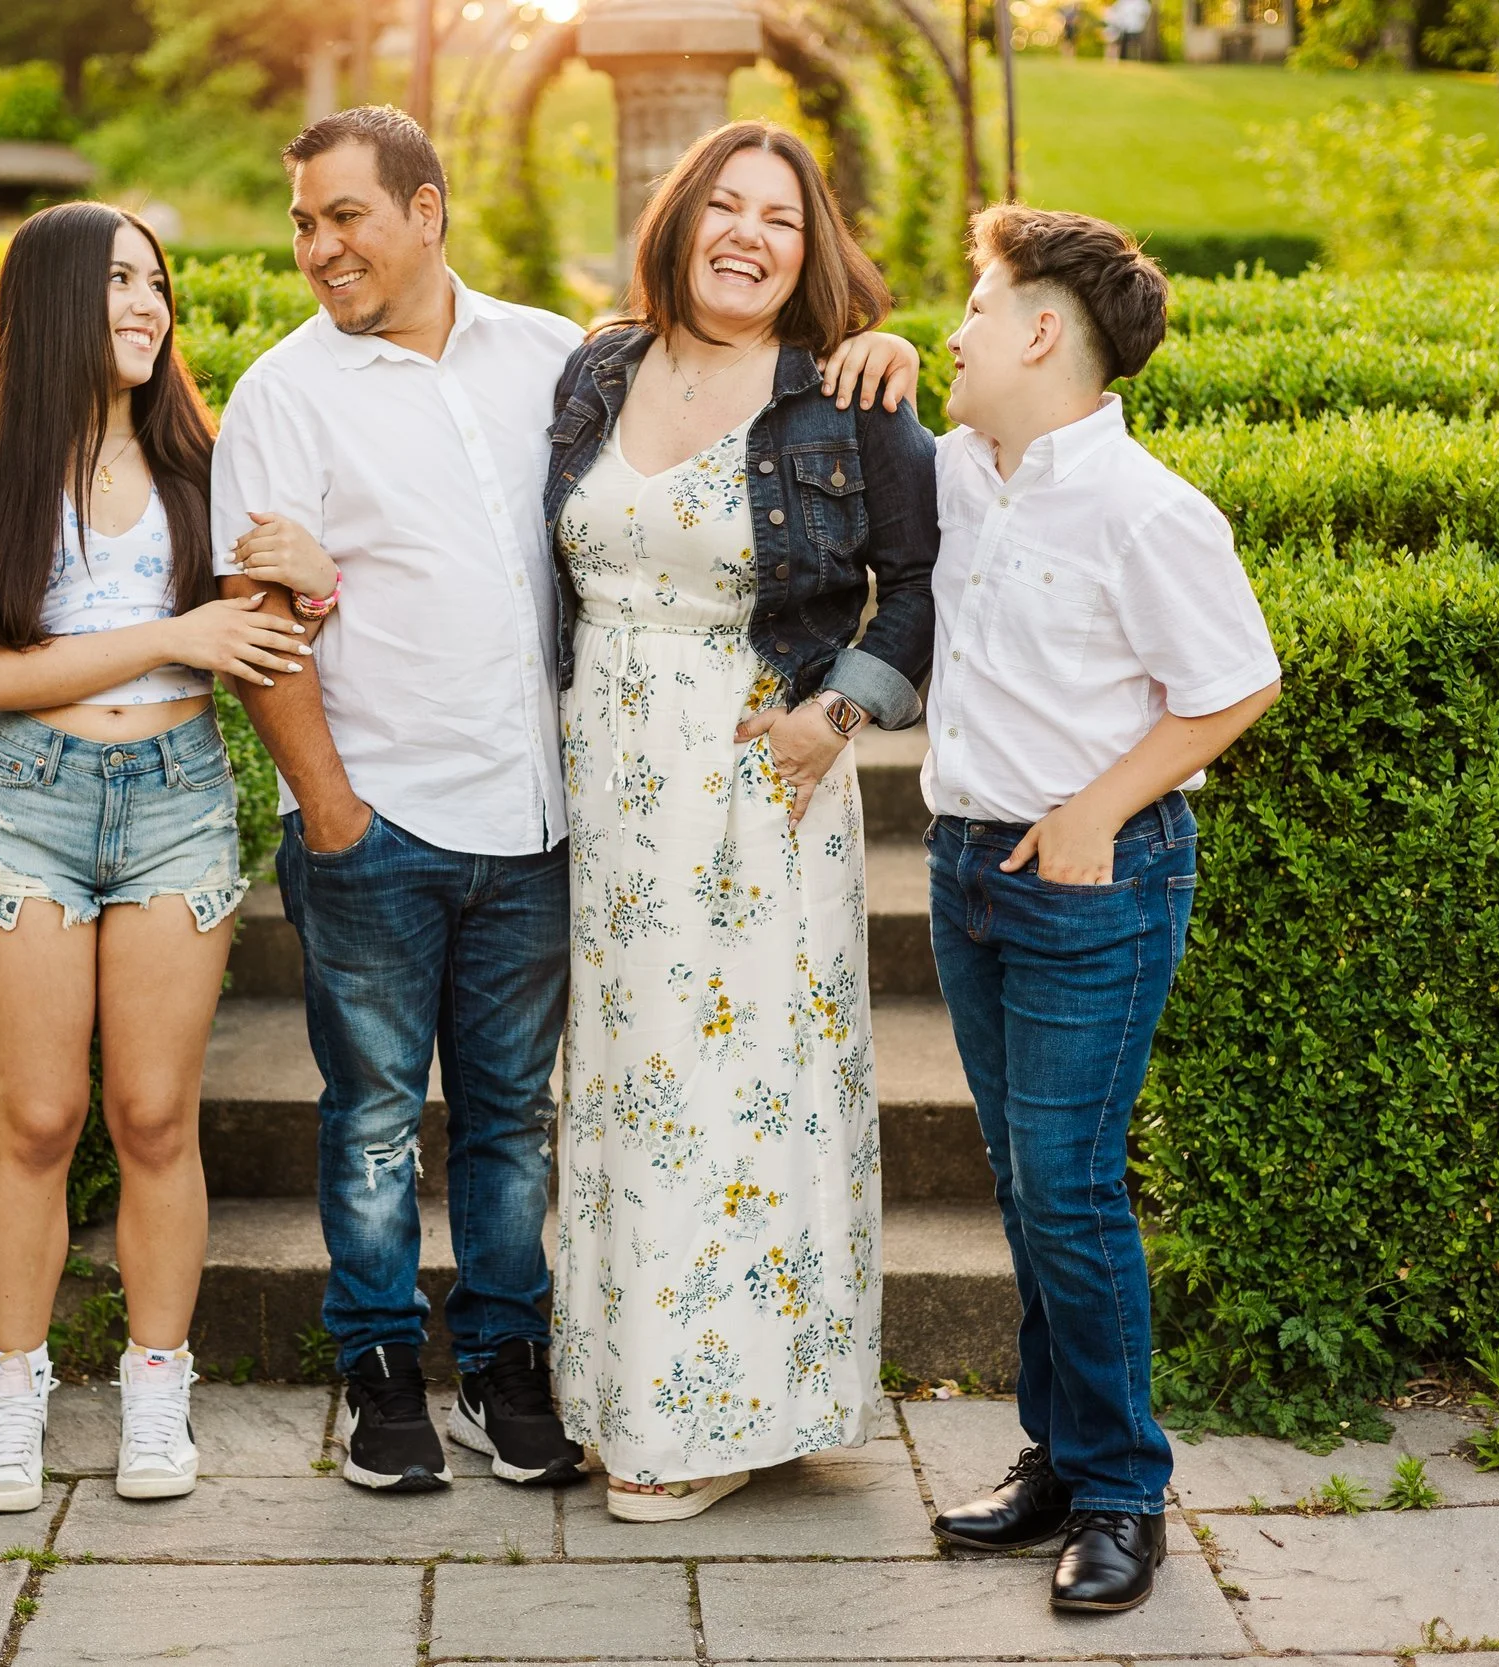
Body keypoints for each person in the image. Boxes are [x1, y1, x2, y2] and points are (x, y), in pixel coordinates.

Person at [212, 105, 923, 1496]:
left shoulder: (559, 355)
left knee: (515, 1115)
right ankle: (374, 1374)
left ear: (428, 212)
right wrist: (331, 807)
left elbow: (546, 541)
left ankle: (500, 1365)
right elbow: (260, 615)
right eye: (301, 221)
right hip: (384, 813)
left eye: (344, 214)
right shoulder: (282, 393)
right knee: (369, 1115)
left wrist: (875, 341)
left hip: (547, 815)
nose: (318, 246)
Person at [540, 121, 937, 1523]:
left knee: (737, 1094)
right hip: (600, 784)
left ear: (807, 247)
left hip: (758, 788)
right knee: (622, 1092)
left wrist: (839, 717)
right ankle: (626, 1389)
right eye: (725, 203)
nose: (748, 233)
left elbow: (923, 582)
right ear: (678, 218)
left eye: (780, 215)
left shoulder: (849, 397)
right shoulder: (596, 368)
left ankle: (722, 1411)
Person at [921, 205, 1280, 1613]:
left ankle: (1126, 1487)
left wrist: (1094, 811)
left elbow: (1235, 684)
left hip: (1094, 881)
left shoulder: (1148, 509)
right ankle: (1058, 1459)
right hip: (968, 872)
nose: (953, 332)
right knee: (1024, 1181)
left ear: (1042, 331)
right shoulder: (959, 470)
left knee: (1070, 1184)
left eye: (972, 306)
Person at [0, 201, 314, 1514]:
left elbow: (275, 626)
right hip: (26, 801)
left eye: (156, 284)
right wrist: (176, 639)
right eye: (115, 284)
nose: (147, 305)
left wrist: (303, 582)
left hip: (176, 798)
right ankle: (14, 1392)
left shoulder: (205, 464)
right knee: (37, 1117)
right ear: (43, 306)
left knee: (155, 1114)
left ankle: (157, 1385)